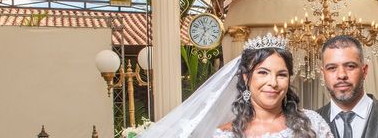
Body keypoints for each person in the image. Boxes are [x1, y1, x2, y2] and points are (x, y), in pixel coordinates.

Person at [139, 33, 333, 138]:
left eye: (281, 74)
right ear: (246, 77)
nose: (273, 83)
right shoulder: (226, 134)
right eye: (263, 72)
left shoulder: (312, 122)